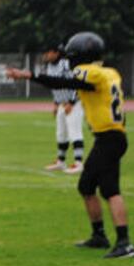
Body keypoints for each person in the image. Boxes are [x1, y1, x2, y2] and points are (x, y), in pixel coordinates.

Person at [7, 31, 134, 259]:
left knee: (110, 190)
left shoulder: (90, 72)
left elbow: (65, 82)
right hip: (111, 137)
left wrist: (29, 75)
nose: (70, 60)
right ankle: (99, 236)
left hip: (109, 138)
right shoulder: (110, 72)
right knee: (86, 186)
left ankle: (125, 243)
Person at [41, 43, 85, 174]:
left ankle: (78, 162)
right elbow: (55, 85)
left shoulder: (66, 64)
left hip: (74, 103)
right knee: (61, 133)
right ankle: (61, 161)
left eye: (48, 52)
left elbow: (77, 83)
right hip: (61, 103)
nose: (46, 55)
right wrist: (56, 102)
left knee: (74, 131)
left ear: (56, 53)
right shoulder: (50, 66)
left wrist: (71, 102)